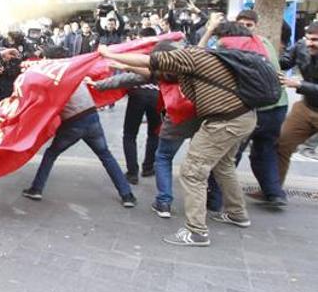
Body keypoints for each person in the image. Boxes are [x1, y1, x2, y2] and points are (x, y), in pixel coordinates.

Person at [100, 26, 257, 247]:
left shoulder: (186, 57)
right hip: (244, 116)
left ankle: (196, 232)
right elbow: (152, 72)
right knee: (224, 166)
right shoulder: (203, 56)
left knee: (192, 172)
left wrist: (109, 54)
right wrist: (122, 64)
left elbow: (148, 64)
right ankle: (237, 214)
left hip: (224, 121)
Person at [21, 47, 137, 207]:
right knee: (106, 156)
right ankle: (127, 195)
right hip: (92, 117)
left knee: (50, 153)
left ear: (50, 58)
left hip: (73, 122)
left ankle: (36, 189)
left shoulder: (51, 76)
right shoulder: (74, 71)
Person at [202, 12, 289, 208]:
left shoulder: (231, 45)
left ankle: (215, 200)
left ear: (255, 25)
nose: (244, 28)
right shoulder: (264, 43)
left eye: (248, 24)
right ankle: (274, 193)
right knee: (265, 151)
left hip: (253, 110)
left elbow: (201, 58)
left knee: (226, 158)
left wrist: (209, 31)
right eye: (241, 24)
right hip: (277, 106)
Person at [93, 27, 161, 185]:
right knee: (154, 133)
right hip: (157, 96)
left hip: (138, 95)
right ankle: (148, 167)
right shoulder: (162, 53)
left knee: (130, 135)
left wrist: (99, 84)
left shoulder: (137, 55)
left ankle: (132, 173)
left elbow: (127, 78)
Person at [277, 21, 318, 186]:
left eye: (315, 40)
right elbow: (285, 62)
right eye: (308, 38)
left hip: (307, 95)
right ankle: (273, 190)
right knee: (281, 144)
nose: (310, 44)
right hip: (306, 107)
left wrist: (299, 85)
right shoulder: (301, 46)